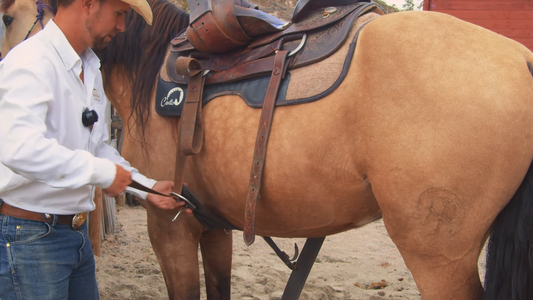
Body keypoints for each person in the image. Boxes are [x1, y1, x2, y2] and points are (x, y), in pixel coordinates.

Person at [0, 0, 190, 298]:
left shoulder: (90, 69)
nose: (122, 27)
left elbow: (98, 148)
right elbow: (20, 148)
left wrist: (148, 188)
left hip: (74, 236)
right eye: (119, 14)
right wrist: (101, 173)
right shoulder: (30, 62)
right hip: (31, 239)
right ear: (88, 4)